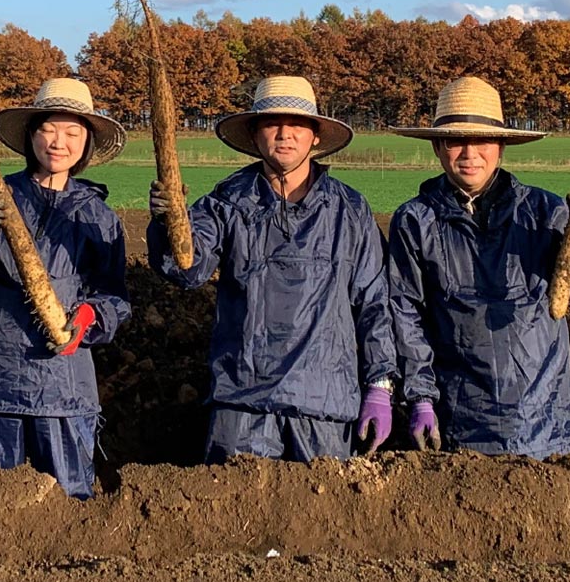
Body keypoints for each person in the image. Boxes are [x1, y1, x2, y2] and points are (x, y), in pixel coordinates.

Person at [147, 76, 396, 464]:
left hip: (324, 406)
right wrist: (169, 222)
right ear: (254, 134)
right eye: (271, 123)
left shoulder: (350, 211)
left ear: (315, 135)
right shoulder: (226, 202)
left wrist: (380, 384)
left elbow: (373, 302)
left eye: (297, 124)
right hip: (242, 405)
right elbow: (188, 271)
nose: (284, 134)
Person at [387, 75, 570, 458]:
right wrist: (421, 397)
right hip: (460, 423)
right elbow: (407, 316)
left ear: (502, 146)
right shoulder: (416, 221)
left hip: (545, 425)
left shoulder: (547, 213)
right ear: (438, 148)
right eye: (457, 141)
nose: (470, 153)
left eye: (483, 141)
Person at [0, 78, 130, 500]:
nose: (59, 142)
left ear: (86, 143)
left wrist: (91, 317)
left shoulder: (98, 217)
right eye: (49, 129)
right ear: (31, 135)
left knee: (68, 508)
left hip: (63, 389)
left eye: (73, 132)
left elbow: (115, 298)